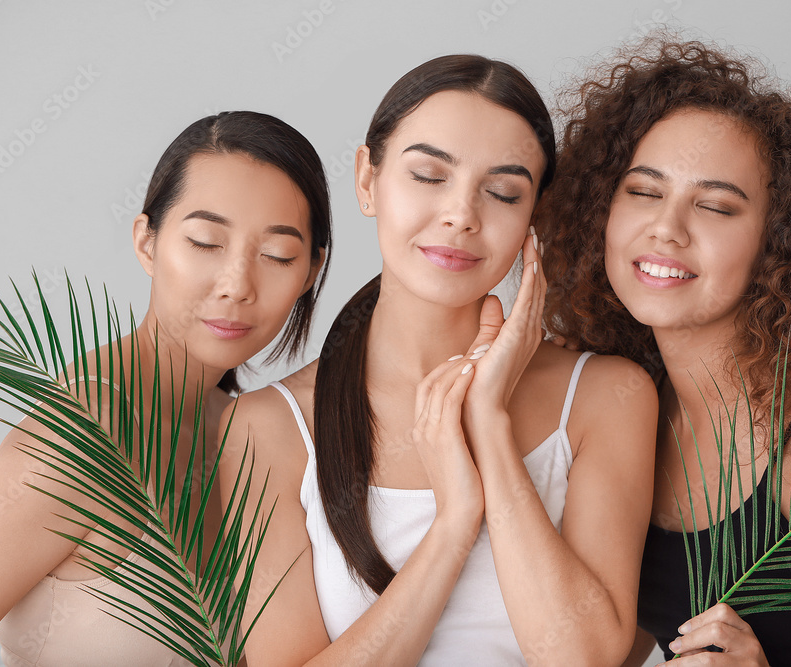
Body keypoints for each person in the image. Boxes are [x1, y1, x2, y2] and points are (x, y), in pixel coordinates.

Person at [220, 54, 658, 666]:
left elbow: (584, 657)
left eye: (503, 192)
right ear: (368, 181)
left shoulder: (607, 396)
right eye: (429, 175)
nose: (461, 215)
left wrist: (489, 426)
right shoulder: (267, 428)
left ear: (537, 216)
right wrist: (454, 522)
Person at [536, 38, 791, 665]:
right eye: (642, 191)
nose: (667, 227)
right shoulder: (623, 410)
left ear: (779, 244)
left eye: (716, 205)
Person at [0, 111, 331, 666]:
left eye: (277, 256)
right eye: (205, 242)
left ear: (310, 271)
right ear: (147, 242)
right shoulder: (83, 434)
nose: (238, 285)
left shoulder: (256, 432)